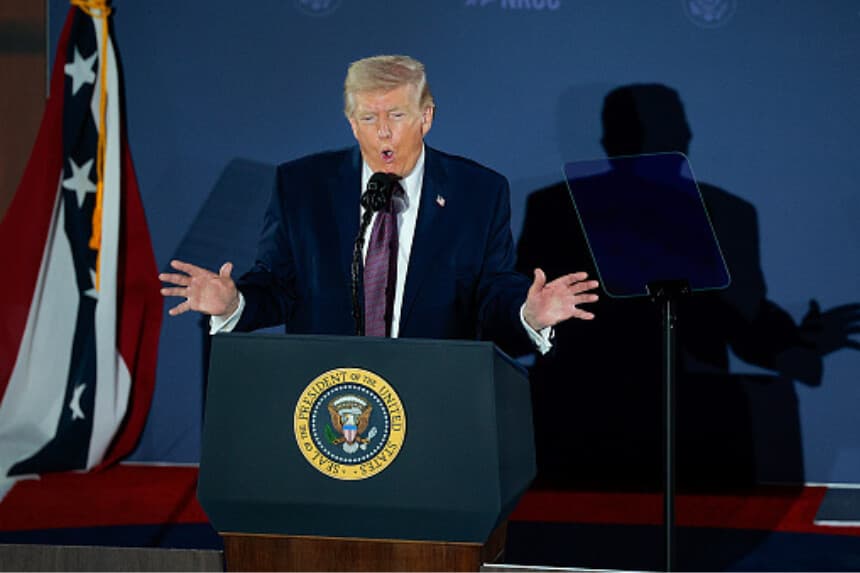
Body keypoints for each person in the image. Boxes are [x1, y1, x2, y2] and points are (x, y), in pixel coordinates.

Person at [159, 55, 599, 355]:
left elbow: (490, 294)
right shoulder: (302, 186)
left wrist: (529, 314)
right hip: (328, 393)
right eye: (369, 118)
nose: (383, 133)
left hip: (433, 390)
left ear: (426, 117)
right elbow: (278, 285)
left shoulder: (478, 192)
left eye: (398, 116)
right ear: (352, 123)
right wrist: (234, 302)